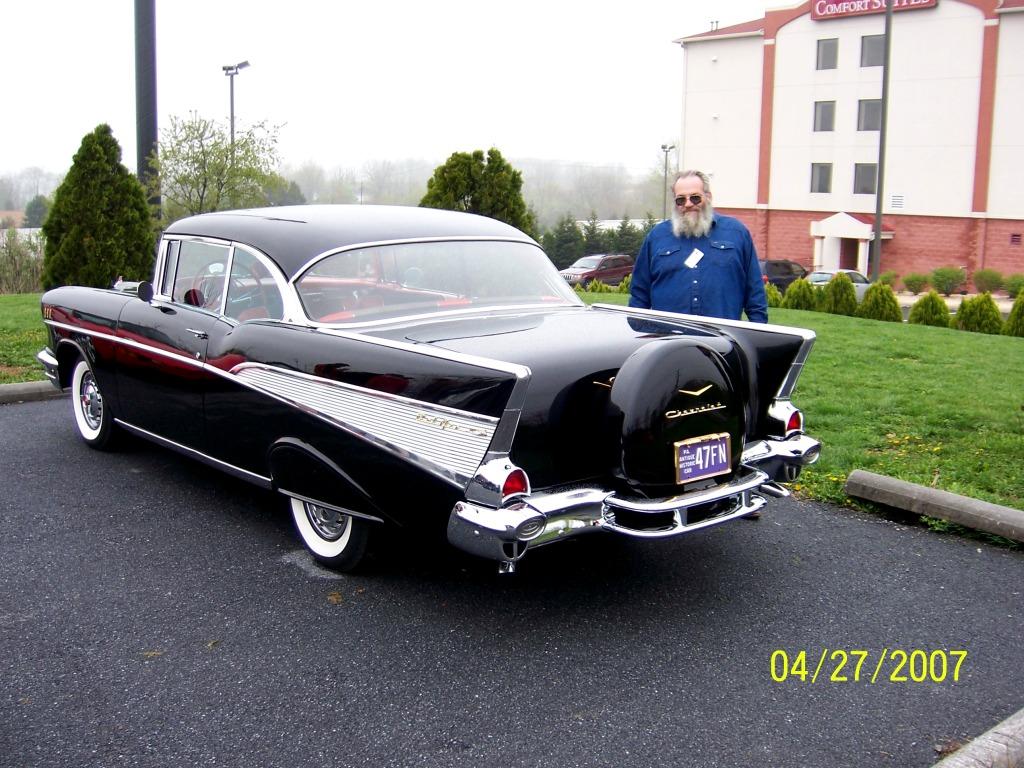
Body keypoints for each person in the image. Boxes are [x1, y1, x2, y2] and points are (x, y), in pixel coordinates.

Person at [630, 170, 767, 324]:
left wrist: (757, 333)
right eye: (681, 200)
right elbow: (639, 295)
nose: (688, 204)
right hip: (668, 337)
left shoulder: (737, 233)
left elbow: (755, 293)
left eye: (695, 198)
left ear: (708, 197)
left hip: (722, 337)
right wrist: (640, 331)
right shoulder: (657, 237)